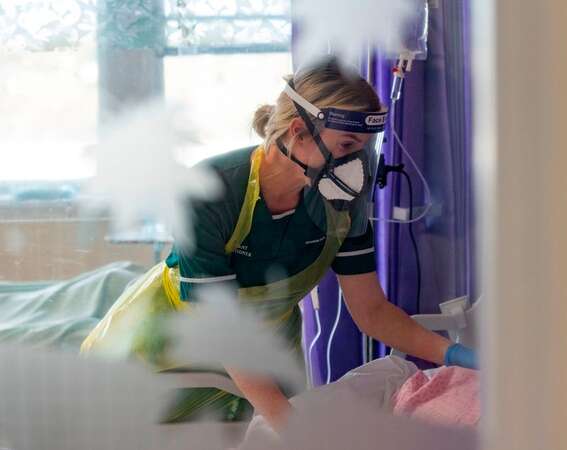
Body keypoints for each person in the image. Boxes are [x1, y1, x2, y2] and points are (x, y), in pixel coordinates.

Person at [162, 58, 476, 427]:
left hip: (266, 356)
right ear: (298, 131)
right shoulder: (207, 189)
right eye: (347, 145)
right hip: (175, 349)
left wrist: (454, 353)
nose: (358, 162)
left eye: (364, 148)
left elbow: (371, 311)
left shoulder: (340, 202)